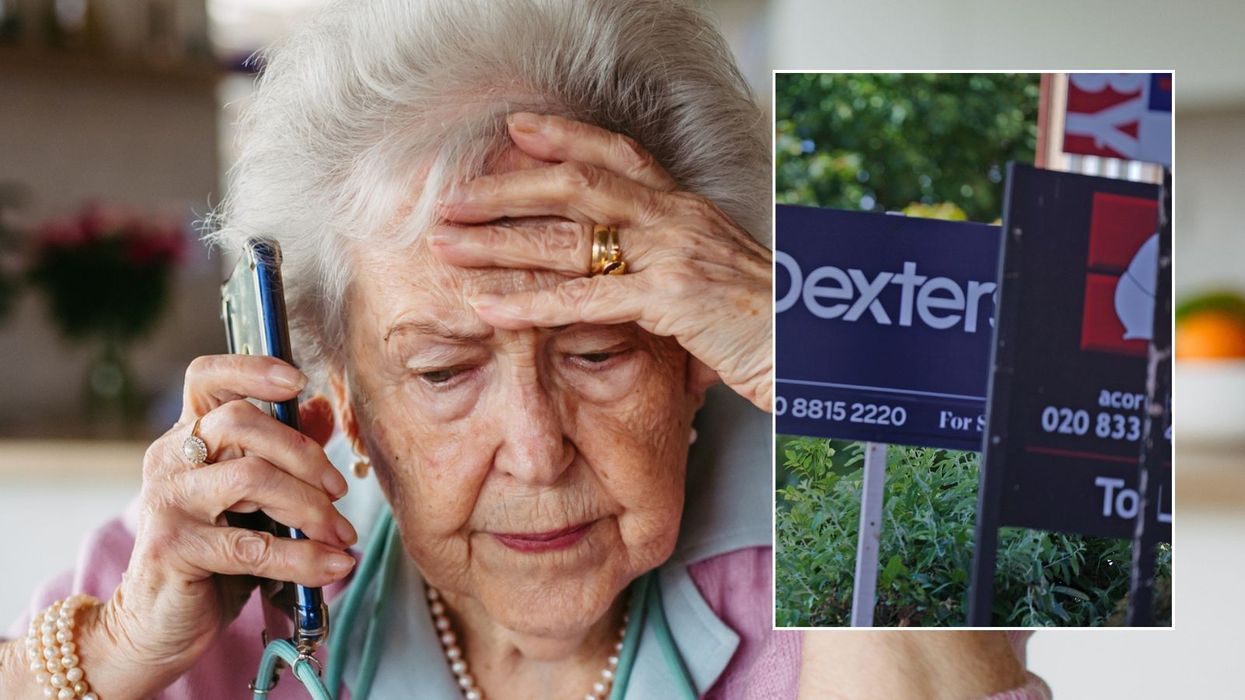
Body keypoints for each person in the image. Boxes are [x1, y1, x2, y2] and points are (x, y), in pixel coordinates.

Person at [0, 1, 1049, 698]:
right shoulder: (247, 551)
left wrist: (807, 333)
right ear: (345, 402)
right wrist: (119, 646)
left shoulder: (838, 535)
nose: (535, 449)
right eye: (443, 371)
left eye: (598, 351)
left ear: (695, 363)